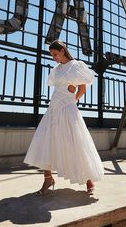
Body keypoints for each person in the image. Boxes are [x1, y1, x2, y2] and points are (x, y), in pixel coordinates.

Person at [24, 40, 104, 195]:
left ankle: (89, 180)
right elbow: (58, 87)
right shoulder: (56, 70)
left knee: (76, 142)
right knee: (45, 141)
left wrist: (72, 99)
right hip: (53, 108)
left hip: (68, 108)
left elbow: (82, 88)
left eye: (55, 54)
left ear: (62, 50)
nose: (54, 58)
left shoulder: (76, 66)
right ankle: (48, 178)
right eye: (52, 55)